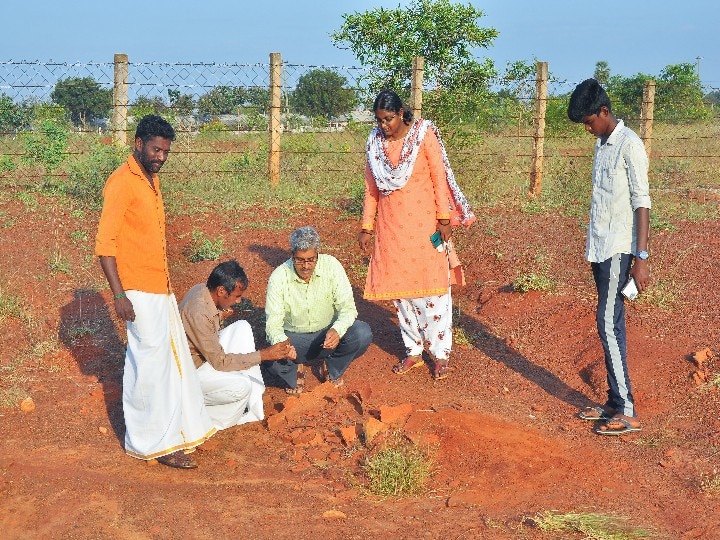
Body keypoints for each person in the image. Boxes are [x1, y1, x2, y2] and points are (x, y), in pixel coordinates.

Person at [95, 114, 215, 469]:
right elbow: (105, 244)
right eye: (155, 149)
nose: (161, 156)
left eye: (165, 151)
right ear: (138, 144)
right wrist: (119, 296)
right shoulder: (121, 182)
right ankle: (152, 444)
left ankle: (171, 434)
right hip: (136, 291)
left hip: (159, 288)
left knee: (165, 364)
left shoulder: (151, 180)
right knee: (147, 367)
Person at [358, 90, 475, 380]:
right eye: (379, 120)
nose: (384, 126)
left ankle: (440, 354)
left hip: (425, 227)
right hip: (390, 229)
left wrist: (444, 219)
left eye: (388, 119)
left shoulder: (423, 135)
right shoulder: (375, 144)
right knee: (402, 293)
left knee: (432, 289)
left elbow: (439, 178)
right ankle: (413, 351)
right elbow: (371, 188)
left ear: (401, 113)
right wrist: (366, 226)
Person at [568, 78, 651, 436]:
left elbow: (641, 202)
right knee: (610, 321)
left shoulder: (629, 145)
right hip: (599, 247)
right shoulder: (603, 145)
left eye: (589, 122)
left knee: (606, 322)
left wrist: (642, 257)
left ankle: (627, 408)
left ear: (604, 111)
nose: (588, 129)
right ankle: (616, 402)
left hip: (619, 248)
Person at [179, 260, 296, 429]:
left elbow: (206, 333)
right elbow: (220, 362)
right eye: (237, 296)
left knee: (242, 327)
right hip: (189, 372)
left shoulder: (201, 289)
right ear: (221, 291)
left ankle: (254, 406)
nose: (239, 301)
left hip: (201, 356)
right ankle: (209, 422)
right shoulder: (200, 313)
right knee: (241, 387)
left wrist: (219, 316)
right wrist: (265, 355)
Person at [264, 226, 372, 395]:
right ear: (292, 255)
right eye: (300, 260)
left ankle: (330, 368)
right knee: (269, 355)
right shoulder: (279, 277)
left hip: (327, 337)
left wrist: (337, 330)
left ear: (318, 254)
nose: (305, 266)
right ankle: (294, 372)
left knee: (362, 333)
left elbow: (348, 309)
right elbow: (273, 325)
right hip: (294, 341)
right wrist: (283, 344)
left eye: (310, 259)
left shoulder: (332, 266)